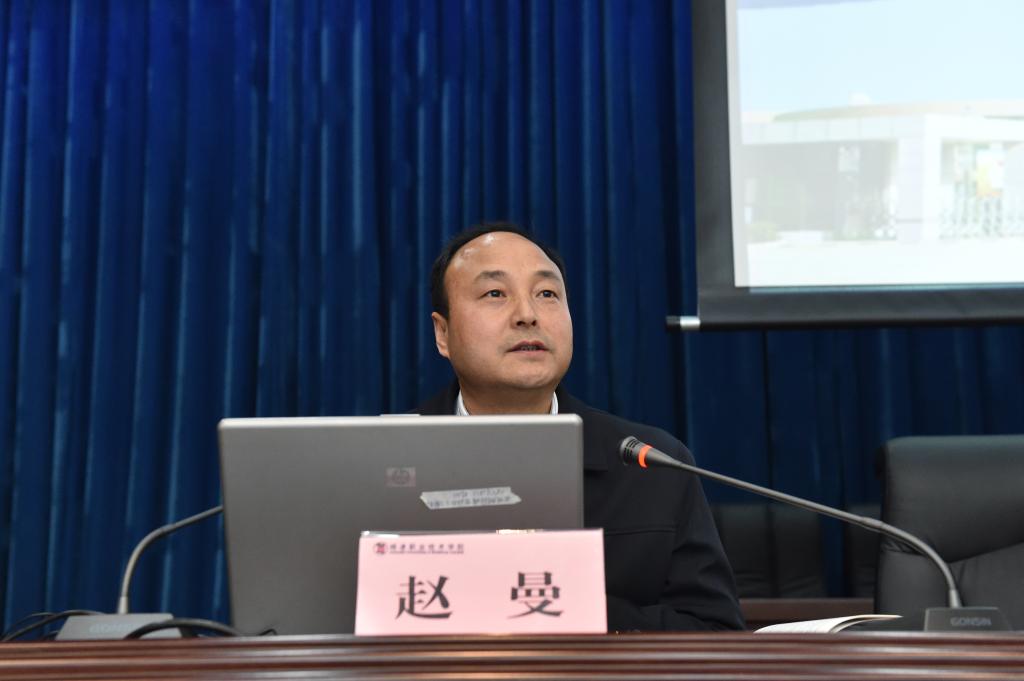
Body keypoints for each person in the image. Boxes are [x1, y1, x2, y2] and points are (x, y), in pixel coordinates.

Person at [415, 223, 744, 632]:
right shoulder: (384, 463)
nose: (527, 315)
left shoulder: (654, 466)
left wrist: (572, 610)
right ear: (443, 334)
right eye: (495, 293)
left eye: (547, 294)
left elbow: (715, 631)